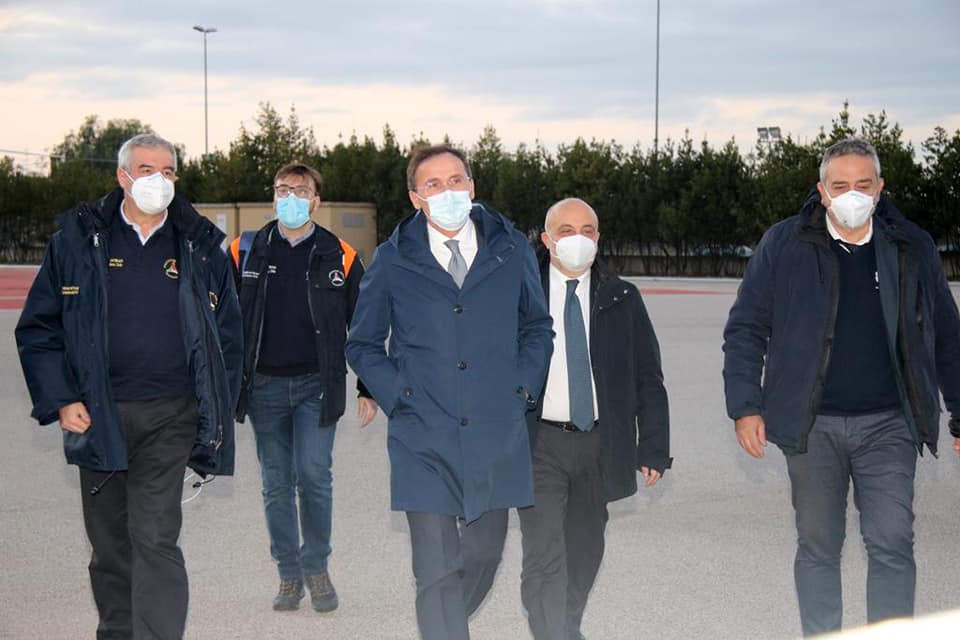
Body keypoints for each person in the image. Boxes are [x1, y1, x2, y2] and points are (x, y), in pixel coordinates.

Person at [722, 138, 960, 636]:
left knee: (892, 541)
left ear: (880, 188)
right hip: (812, 426)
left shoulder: (910, 246)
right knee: (818, 546)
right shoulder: (785, 244)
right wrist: (746, 406)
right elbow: (746, 327)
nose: (853, 194)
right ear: (822, 191)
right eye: (841, 185)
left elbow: (946, 332)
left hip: (889, 422)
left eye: (863, 184)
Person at [15, 133, 243, 639]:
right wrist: (62, 399)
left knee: (155, 536)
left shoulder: (201, 245)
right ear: (122, 177)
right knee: (110, 545)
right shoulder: (75, 241)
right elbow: (39, 328)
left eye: (168, 171)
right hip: (98, 415)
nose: (158, 180)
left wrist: (214, 410)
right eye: (146, 169)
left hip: (172, 415)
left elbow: (228, 336)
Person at [345, 144, 554, 640]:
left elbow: (537, 327)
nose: (447, 191)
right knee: (436, 570)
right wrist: (400, 397)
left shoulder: (511, 249)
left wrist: (522, 389)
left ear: (472, 186)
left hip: (496, 431)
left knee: (482, 555)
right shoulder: (393, 259)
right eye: (433, 184)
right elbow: (363, 344)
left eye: (456, 180)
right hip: (423, 436)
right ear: (416, 197)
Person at [519, 198, 671, 640]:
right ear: (547, 240)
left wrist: (654, 445)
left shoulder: (621, 297)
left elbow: (648, 374)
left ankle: (566, 625)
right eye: (566, 231)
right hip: (539, 443)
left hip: (599, 443)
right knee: (544, 551)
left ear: (599, 238)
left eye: (587, 230)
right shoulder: (521, 297)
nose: (578, 239)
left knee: (585, 550)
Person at [229, 162, 378, 612]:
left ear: (316, 201)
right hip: (264, 389)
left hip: (317, 387)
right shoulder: (243, 251)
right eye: (282, 189)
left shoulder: (342, 256)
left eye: (300, 190)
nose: (290, 197)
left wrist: (367, 387)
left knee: (314, 476)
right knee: (276, 484)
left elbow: (364, 326)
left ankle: (316, 566)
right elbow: (222, 322)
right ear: (273, 196)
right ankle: (289, 574)